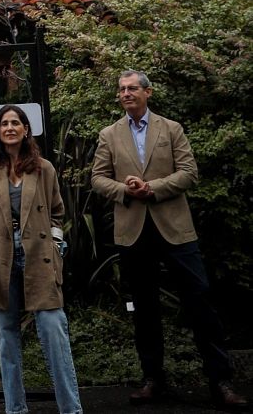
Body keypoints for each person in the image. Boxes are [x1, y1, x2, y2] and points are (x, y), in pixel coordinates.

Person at [90, 70, 247, 409]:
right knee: (144, 308)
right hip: (133, 230)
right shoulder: (109, 134)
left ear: (148, 92)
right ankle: (153, 380)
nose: (126, 93)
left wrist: (152, 188)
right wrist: (125, 190)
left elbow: (189, 172)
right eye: (122, 89)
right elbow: (98, 178)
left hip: (174, 228)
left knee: (199, 300)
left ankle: (220, 382)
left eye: (133, 88)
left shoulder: (171, 128)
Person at [0, 105, 83, 414]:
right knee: (7, 340)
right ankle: (16, 410)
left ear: (25, 129)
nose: (10, 128)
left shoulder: (43, 168)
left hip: (39, 254)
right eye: (4, 123)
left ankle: (71, 410)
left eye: (15, 123)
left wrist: (56, 246)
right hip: (0, 256)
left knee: (53, 331)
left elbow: (57, 212)